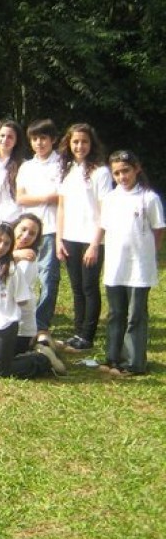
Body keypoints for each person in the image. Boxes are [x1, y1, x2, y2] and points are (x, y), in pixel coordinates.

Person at [0, 223, 66, 379]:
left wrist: (5, 310)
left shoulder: (11, 270)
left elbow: (23, 301)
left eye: (6, 243)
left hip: (5, 326)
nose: (0, 246)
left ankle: (41, 359)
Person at [98, 150, 164, 377]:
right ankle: (113, 357)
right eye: (116, 173)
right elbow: (105, 227)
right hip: (116, 265)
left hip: (139, 268)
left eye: (125, 171)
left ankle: (134, 361)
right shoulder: (110, 198)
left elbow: (158, 230)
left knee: (136, 314)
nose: (122, 177)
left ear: (136, 169)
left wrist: (149, 254)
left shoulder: (148, 198)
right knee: (116, 313)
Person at [55, 123, 112, 352]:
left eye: (84, 141)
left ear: (92, 144)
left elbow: (105, 210)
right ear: (69, 143)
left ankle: (87, 336)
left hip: (91, 239)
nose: (80, 146)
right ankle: (77, 332)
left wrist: (95, 244)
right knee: (77, 287)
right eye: (75, 141)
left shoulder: (101, 172)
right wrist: (59, 239)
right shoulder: (67, 170)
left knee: (90, 287)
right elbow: (61, 208)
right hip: (70, 237)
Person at [15, 119, 62, 338]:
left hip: (52, 227)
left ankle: (41, 321)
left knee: (48, 276)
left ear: (53, 139)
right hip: (28, 230)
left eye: (43, 138)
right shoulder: (26, 166)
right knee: (23, 273)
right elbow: (20, 197)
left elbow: (62, 197)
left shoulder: (62, 164)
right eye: (35, 139)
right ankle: (23, 317)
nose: (39, 143)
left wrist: (38, 198)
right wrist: (46, 197)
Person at [11, 213, 44, 354]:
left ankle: (43, 358)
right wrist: (14, 255)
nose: (25, 236)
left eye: (32, 234)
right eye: (23, 229)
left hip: (19, 325)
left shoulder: (28, 259)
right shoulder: (14, 253)